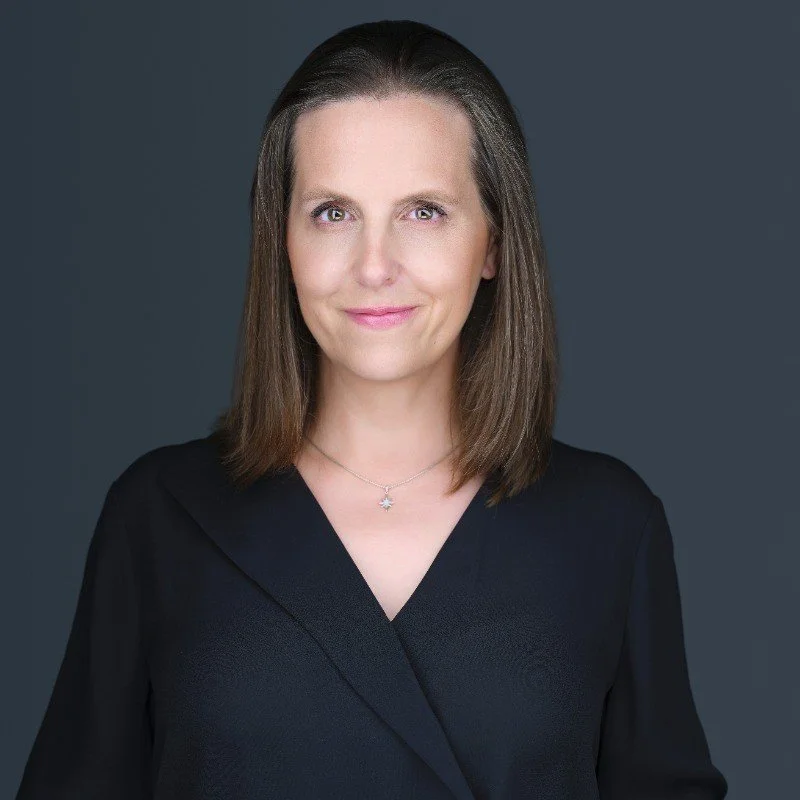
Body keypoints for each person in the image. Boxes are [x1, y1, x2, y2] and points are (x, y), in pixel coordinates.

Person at [15, 19, 728, 800]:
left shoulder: (611, 528)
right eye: (333, 213)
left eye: (424, 211)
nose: (375, 265)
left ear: (492, 242)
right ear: (280, 243)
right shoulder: (157, 518)